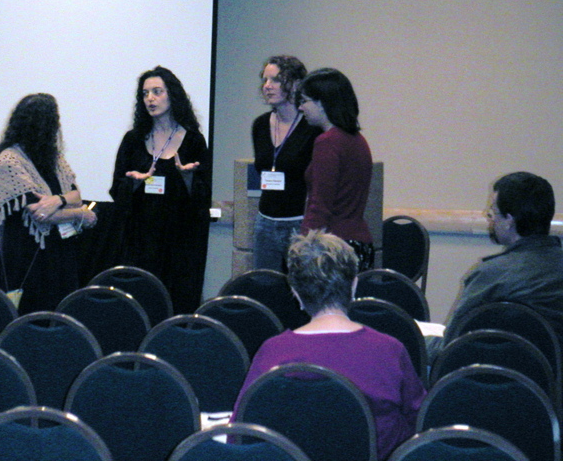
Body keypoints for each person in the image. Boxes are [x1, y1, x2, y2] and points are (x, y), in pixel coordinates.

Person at [231, 229, 426, 461]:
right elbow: (421, 426)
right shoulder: (389, 350)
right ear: (354, 285)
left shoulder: (271, 352)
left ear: (295, 292)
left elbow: (240, 433)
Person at [427, 171, 563, 360]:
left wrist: (414, 341)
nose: (489, 218)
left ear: (509, 220)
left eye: (492, 213)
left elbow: (449, 348)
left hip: (498, 383)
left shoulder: (490, 276)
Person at [110, 66, 211, 314]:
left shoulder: (194, 140)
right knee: (140, 304)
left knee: (176, 304)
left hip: (180, 241)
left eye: (157, 92)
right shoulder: (133, 140)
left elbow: (203, 194)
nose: (150, 99)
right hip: (140, 239)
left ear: (172, 95)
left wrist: (187, 178)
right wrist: (133, 183)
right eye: (145, 94)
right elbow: (116, 189)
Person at [0, 93, 97, 314]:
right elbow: (41, 213)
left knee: (62, 314)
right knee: (31, 315)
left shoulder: (53, 158)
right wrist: (80, 214)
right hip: (27, 257)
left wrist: (60, 200)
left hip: (59, 251)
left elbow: (75, 194)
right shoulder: (8, 161)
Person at [298, 67, 374, 270]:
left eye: (305, 101)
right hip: (358, 243)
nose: (301, 107)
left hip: (332, 248)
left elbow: (320, 206)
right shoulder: (358, 140)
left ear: (322, 103)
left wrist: (300, 248)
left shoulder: (328, 142)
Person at [251, 55, 321, 271]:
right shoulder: (260, 125)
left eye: (275, 80)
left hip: (299, 222)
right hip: (265, 221)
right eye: (265, 80)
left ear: (296, 84)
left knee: (301, 289)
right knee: (265, 287)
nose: (267, 86)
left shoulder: (312, 127)